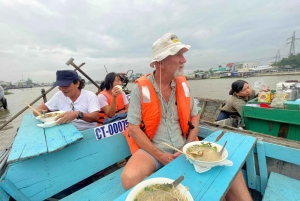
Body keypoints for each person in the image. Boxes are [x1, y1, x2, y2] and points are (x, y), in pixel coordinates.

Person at [121, 33, 253, 201]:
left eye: (183, 55)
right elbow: (133, 128)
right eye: (178, 55)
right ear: (160, 62)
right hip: (152, 149)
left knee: (228, 169)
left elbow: (195, 117)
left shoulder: (183, 85)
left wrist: (188, 145)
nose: (183, 60)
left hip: (183, 145)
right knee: (129, 178)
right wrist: (160, 155)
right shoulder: (141, 89)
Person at [34, 70, 100, 131]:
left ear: (77, 83)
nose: (63, 89)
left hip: (87, 132)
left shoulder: (90, 96)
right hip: (66, 130)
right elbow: (44, 107)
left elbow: (95, 117)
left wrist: (77, 114)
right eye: (60, 86)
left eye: (66, 85)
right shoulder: (58, 96)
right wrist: (38, 111)